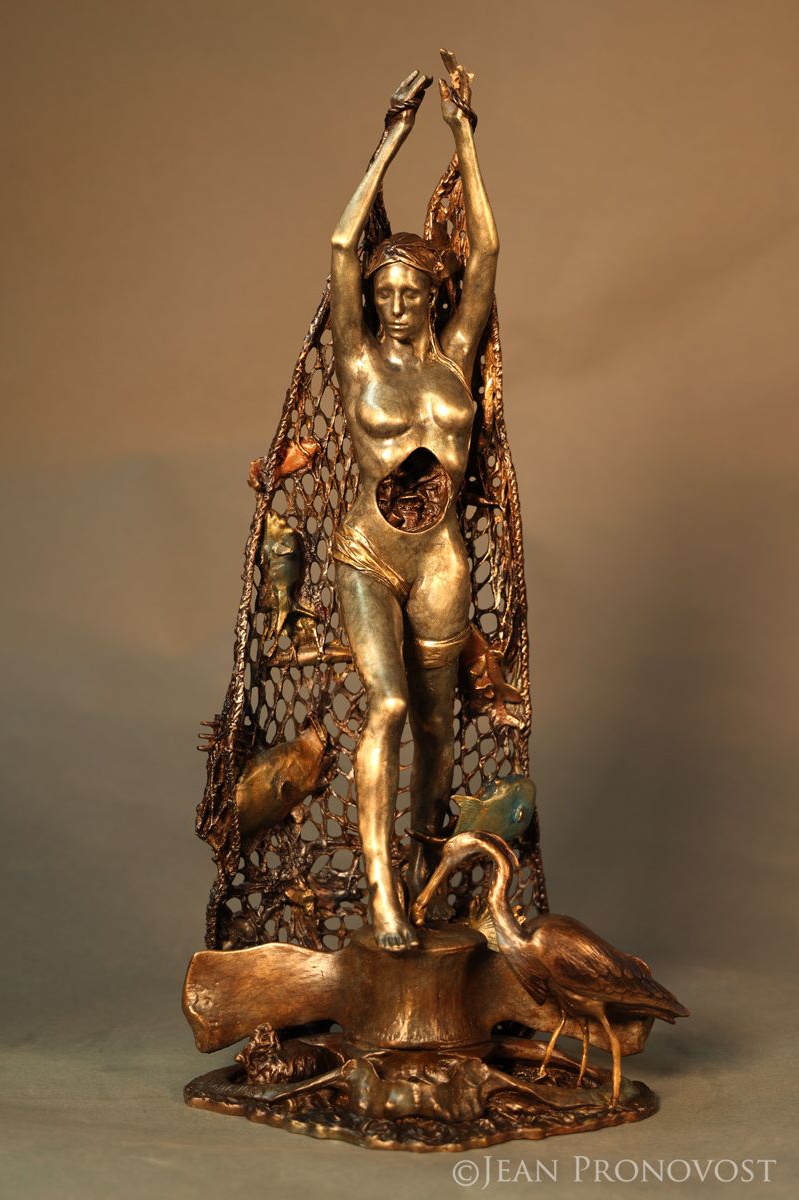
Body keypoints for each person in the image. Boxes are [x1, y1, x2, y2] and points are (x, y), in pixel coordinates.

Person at [329, 54, 498, 951]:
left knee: (438, 726)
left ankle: (429, 884)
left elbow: (489, 254)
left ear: (434, 296)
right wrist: (390, 141)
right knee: (388, 708)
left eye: (410, 292)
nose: (395, 305)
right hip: (370, 551)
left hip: (439, 558)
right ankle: (382, 895)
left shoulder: (455, 358)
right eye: (383, 293)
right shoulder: (359, 362)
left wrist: (464, 140)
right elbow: (338, 247)